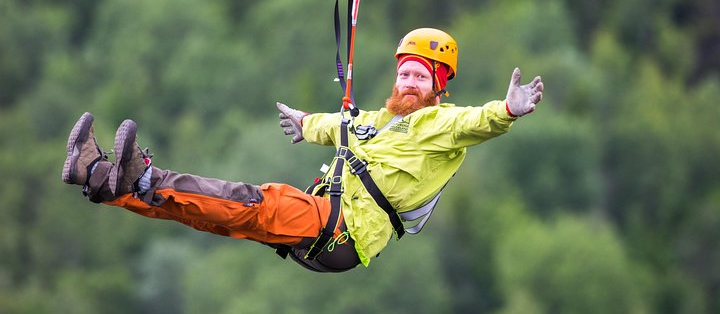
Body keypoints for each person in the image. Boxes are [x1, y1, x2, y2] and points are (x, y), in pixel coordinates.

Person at [62, 28, 543, 272]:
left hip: (343, 232)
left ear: (438, 86)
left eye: (421, 76)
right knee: (219, 216)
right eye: (405, 73)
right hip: (326, 221)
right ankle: (103, 180)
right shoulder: (381, 120)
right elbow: (340, 126)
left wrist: (509, 110)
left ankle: (143, 176)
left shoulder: (441, 124)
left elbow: (478, 121)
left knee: (252, 201)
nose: (409, 82)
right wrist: (303, 122)